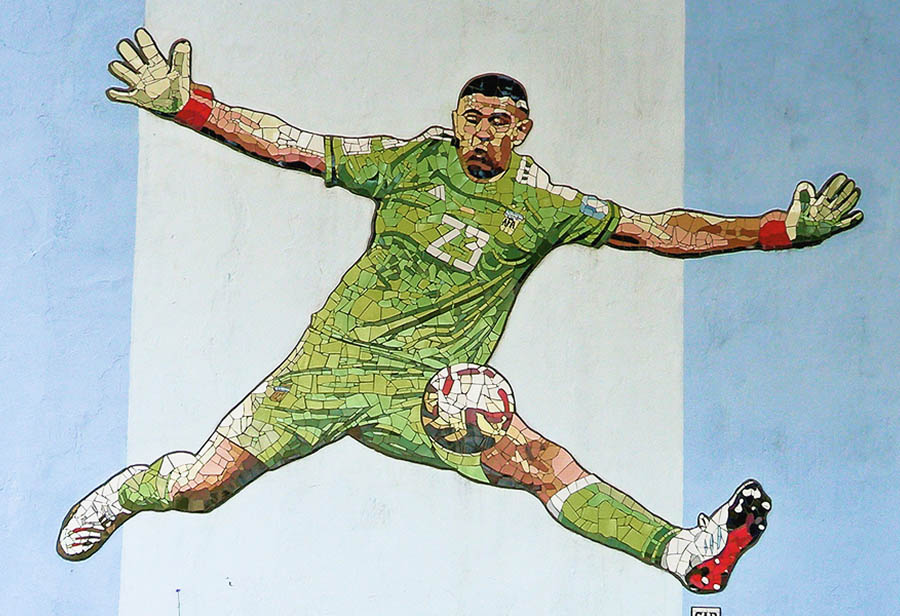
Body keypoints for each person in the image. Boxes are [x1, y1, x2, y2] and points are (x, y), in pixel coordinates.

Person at [58, 28, 863, 594]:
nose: (481, 132)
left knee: (539, 461)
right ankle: (127, 494)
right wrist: (190, 106)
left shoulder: (544, 206)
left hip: (434, 394)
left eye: (498, 122)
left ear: (523, 130)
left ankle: (684, 552)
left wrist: (776, 230)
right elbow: (292, 143)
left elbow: (658, 230)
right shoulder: (410, 162)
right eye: (471, 117)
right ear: (455, 120)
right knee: (202, 488)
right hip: (329, 369)